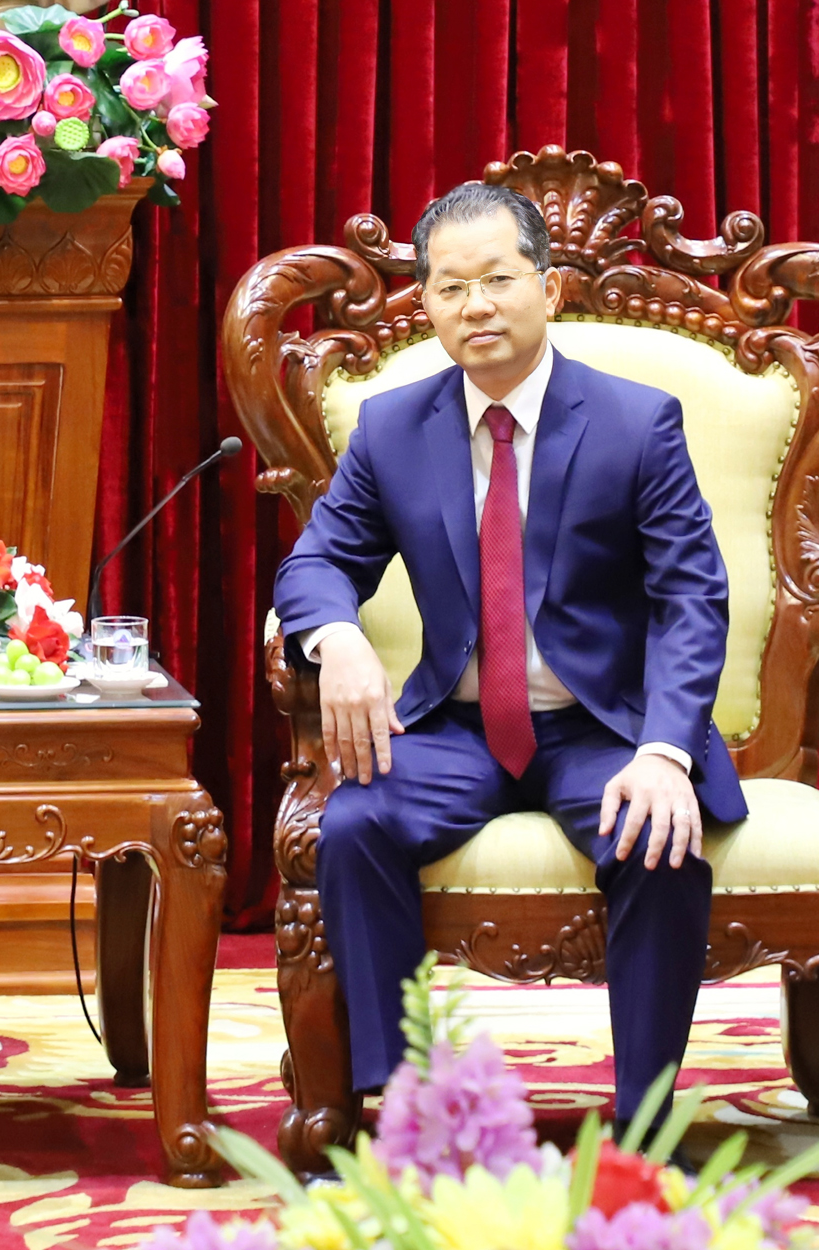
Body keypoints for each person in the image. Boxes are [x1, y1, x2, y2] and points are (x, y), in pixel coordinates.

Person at [273, 183, 745, 1147]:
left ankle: (646, 1122)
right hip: (456, 727)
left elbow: (692, 599)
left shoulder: (635, 421)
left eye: (497, 280)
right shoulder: (393, 427)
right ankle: (404, 1113)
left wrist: (665, 751)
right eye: (450, 288)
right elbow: (317, 562)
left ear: (549, 286)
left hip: (602, 725)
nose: (475, 306)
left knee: (659, 837)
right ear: (430, 306)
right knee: (355, 819)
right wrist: (339, 637)